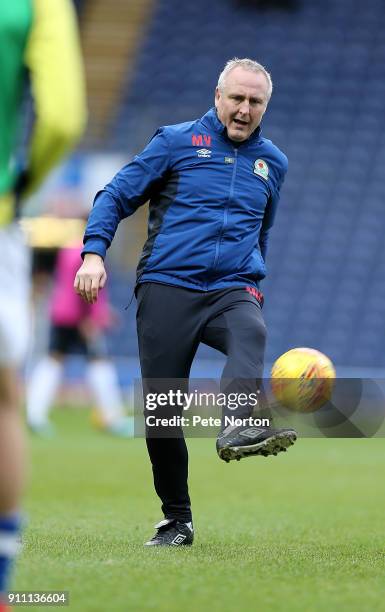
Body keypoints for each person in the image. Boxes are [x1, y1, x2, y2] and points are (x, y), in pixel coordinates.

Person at [74, 58, 297, 547]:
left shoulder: (272, 163)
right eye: (236, 98)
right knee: (162, 413)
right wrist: (93, 253)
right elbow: (114, 196)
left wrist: (252, 284)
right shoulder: (175, 142)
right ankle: (177, 519)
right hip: (167, 286)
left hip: (231, 288)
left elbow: (262, 231)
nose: (243, 109)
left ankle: (239, 423)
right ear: (218, 96)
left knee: (251, 329)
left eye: (254, 102)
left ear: (265, 107)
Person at [0, 1, 86, 608]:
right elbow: (61, 117)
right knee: (2, 398)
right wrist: (19, 185)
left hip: (71, 314)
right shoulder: (36, 4)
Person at [26, 243, 133, 438]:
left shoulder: (67, 249)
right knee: (99, 362)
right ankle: (112, 418)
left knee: (54, 360)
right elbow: (84, 285)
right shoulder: (88, 252)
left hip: (61, 312)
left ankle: (35, 415)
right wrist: (91, 317)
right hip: (80, 315)